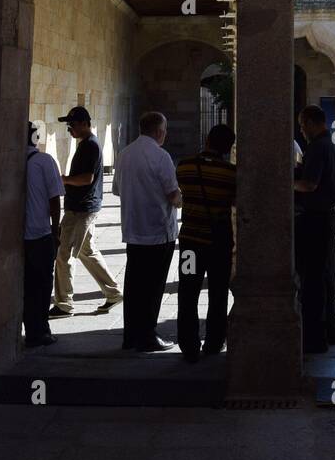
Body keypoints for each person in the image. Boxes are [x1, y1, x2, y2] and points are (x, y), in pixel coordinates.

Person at [113, 111, 181, 353]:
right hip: (158, 231)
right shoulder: (161, 157)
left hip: (133, 230)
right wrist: (183, 199)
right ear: (160, 131)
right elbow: (173, 195)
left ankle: (131, 336)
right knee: (153, 287)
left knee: (133, 286)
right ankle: (148, 336)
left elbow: (118, 190)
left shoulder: (123, 155)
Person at [50, 106, 122, 318]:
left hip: (81, 208)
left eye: (72, 125)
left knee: (64, 255)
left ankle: (64, 304)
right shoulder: (87, 144)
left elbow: (87, 178)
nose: (69, 129)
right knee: (86, 251)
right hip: (83, 206)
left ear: (83, 123)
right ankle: (114, 292)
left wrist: (63, 179)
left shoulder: (90, 145)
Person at [175, 124, 237, 362]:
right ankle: (213, 342)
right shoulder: (231, 173)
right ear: (228, 147)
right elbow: (234, 200)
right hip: (218, 243)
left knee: (188, 292)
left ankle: (188, 344)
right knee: (218, 292)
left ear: (208, 139)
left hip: (190, 241)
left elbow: (184, 191)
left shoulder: (185, 166)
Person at [294, 105, 335, 354]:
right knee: (326, 276)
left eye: (303, 126)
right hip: (329, 216)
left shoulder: (317, 147)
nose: (302, 131)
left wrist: (284, 182)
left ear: (313, 122)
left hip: (315, 219)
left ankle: (314, 338)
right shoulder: (334, 144)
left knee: (312, 279)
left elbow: (309, 184)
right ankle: (330, 331)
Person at [23, 121, 64, 347]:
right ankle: (39, 331)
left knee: (26, 284)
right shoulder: (44, 161)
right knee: (41, 284)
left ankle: (26, 326)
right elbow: (54, 199)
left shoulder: (10, 159)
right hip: (39, 233)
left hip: (18, 235)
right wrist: (56, 230)